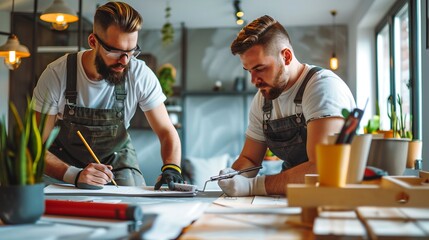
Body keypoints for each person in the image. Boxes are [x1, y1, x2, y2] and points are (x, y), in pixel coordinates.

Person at [32, 2, 183, 189]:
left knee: (132, 205)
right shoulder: (57, 74)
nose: (125, 61)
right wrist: (74, 175)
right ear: (93, 42)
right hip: (64, 163)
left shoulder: (139, 74)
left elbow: (166, 131)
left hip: (118, 162)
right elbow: (34, 146)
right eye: (116, 51)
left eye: (131, 51)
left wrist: (172, 167)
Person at [218, 15, 356, 196]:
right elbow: (250, 158)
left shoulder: (322, 87)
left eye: (260, 68)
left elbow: (321, 167)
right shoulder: (262, 99)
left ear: (286, 56)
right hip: (293, 196)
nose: (254, 80)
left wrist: (253, 185)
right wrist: (234, 175)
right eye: (249, 71)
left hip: (334, 199)